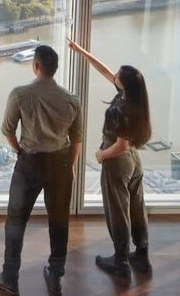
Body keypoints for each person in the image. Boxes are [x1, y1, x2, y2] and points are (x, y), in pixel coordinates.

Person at [0, 45, 82, 296]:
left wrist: (19, 150)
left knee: (16, 219)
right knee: (59, 221)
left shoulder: (20, 94)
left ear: (35, 66)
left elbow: (7, 130)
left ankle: (9, 277)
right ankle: (54, 276)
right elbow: (77, 140)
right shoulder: (72, 100)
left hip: (29, 162)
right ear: (55, 68)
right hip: (60, 163)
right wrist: (69, 166)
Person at [68, 38, 152, 279]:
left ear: (122, 84)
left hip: (118, 161)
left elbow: (121, 145)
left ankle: (121, 260)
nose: (113, 75)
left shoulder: (119, 108)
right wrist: (81, 51)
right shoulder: (135, 99)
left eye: (117, 75)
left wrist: (101, 154)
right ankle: (141, 254)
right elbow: (105, 70)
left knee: (118, 210)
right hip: (135, 160)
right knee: (136, 206)